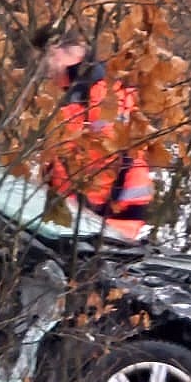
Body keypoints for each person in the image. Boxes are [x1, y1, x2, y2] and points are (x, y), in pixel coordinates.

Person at [36, 30, 154, 238]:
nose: (45, 72)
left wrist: (78, 210)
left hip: (108, 218)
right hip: (92, 216)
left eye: (43, 60)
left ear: (54, 51)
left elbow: (105, 162)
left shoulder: (100, 96)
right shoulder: (80, 94)